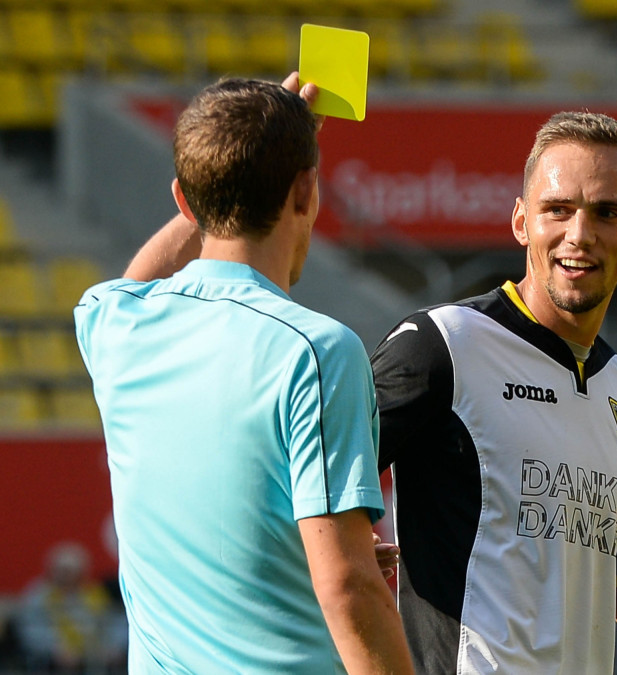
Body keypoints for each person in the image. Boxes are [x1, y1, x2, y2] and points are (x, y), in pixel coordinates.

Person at [370, 111, 617, 673]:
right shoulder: (443, 345)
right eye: (557, 209)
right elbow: (299, 482)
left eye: (607, 213)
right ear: (521, 221)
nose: (580, 234)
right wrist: (337, 545)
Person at [74, 76, 414, 674]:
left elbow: (137, 280)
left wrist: (216, 189)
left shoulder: (112, 322)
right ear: (306, 192)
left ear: (183, 202)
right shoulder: (317, 351)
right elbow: (349, 587)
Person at [15, 542, 124, 673]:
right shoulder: (38, 597)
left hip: (94, 659)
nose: (65, 576)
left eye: (70, 571)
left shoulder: (94, 595)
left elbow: (115, 622)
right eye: (61, 570)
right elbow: (29, 629)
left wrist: (114, 646)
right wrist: (53, 649)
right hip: (50, 662)